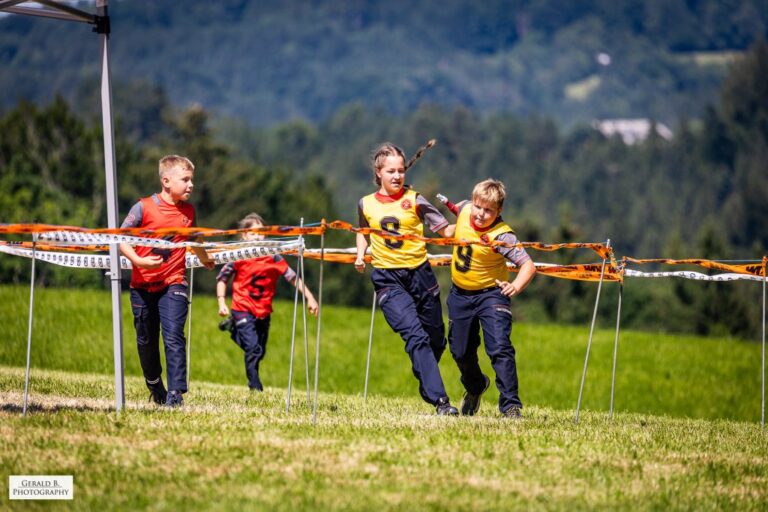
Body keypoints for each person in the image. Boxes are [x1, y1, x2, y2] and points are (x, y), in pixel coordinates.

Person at [354, 142, 459, 415]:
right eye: (391, 171)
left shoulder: (416, 200)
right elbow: (362, 230)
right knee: (415, 337)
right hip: (388, 280)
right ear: (378, 172)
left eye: (401, 170)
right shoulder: (365, 203)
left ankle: (424, 375)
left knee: (436, 340)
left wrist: (472, 220)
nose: (397, 176)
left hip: (421, 276)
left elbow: (446, 231)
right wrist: (360, 254)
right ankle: (441, 402)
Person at [120, 155, 215, 408]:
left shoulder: (189, 211)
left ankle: (175, 393)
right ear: (166, 181)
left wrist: (205, 259)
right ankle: (154, 384)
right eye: (185, 180)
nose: (191, 185)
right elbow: (121, 239)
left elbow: (194, 239)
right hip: (142, 286)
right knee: (146, 341)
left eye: (191, 180)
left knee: (173, 335)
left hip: (174, 282)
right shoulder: (142, 207)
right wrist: (138, 262)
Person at [446, 179, 536, 418]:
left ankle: (510, 406)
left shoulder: (503, 235)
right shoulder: (466, 209)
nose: (480, 214)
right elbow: (459, 208)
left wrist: (515, 286)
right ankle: (476, 386)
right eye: (478, 207)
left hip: (491, 294)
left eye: (488, 211)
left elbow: (528, 265)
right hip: (459, 294)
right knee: (460, 351)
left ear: (499, 212)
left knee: (499, 348)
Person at [216, 213, 319, 391]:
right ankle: (255, 387)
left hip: (264, 310)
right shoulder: (239, 255)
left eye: (261, 232)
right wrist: (221, 302)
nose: (257, 237)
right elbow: (222, 278)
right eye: (253, 233)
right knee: (253, 349)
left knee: (259, 351)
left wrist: (310, 298)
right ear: (244, 236)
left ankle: (233, 328)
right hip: (242, 308)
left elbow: (293, 278)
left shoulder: (273, 256)